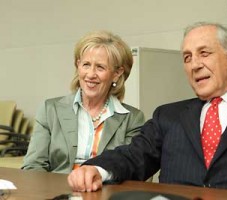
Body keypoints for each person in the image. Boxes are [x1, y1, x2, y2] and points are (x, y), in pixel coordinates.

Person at [67, 22, 227, 194]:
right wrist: (97, 169)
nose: (195, 64)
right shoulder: (168, 116)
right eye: (187, 57)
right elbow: (133, 156)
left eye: (204, 53)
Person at [22, 30, 145, 173]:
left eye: (100, 67)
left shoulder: (132, 119)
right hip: (56, 192)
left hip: (106, 192)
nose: (91, 74)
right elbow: (33, 166)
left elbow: (132, 169)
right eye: (86, 64)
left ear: (117, 74)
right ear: (78, 65)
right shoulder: (50, 110)